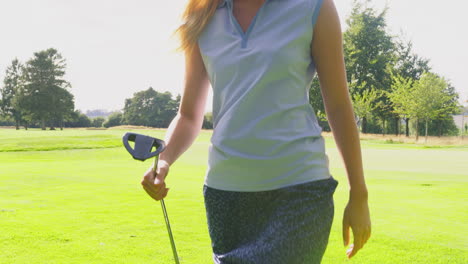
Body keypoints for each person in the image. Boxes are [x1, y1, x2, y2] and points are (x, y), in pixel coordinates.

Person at [141, 0, 371, 263]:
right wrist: (165, 160)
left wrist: (359, 193)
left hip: (300, 190)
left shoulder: (314, 7)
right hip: (225, 195)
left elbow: (339, 106)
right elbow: (188, 115)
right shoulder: (201, 17)